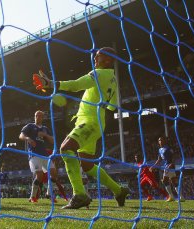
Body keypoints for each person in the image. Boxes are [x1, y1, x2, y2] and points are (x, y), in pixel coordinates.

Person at [33, 47, 130, 209]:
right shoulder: (113, 79)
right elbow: (113, 106)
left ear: (107, 60)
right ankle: (119, 190)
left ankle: (79, 194)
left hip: (89, 122)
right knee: (87, 165)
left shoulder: (99, 74)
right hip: (96, 122)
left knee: (65, 148)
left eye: (98, 57)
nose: (94, 59)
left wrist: (51, 84)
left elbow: (77, 85)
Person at [19, 110, 57, 203]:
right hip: (34, 154)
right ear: (34, 116)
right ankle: (32, 196)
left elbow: (52, 141)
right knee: (39, 175)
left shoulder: (45, 128)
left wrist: (45, 135)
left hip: (44, 155)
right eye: (36, 116)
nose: (38, 117)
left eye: (40, 116)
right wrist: (28, 138)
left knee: (54, 173)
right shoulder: (30, 126)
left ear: (42, 117)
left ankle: (49, 194)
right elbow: (21, 135)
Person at [150, 136, 185, 202]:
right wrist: (153, 166)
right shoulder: (160, 150)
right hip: (165, 166)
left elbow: (174, 157)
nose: (160, 141)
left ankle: (172, 196)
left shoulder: (168, 148)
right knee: (173, 181)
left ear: (165, 141)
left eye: (161, 140)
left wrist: (172, 164)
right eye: (159, 140)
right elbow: (159, 159)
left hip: (170, 166)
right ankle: (180, 197)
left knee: (165, 180)